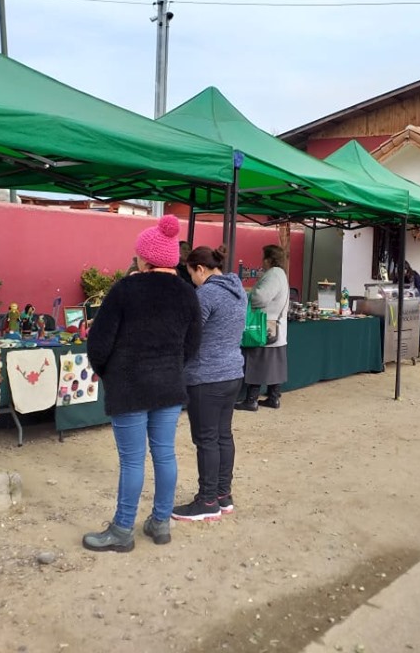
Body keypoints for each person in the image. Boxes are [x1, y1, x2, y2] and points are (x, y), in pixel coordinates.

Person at [83, 214, 202, 552]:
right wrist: (171, 367)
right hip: (168, 386)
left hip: (129, 386)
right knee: (165, 454)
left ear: (145, 258)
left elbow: (98, 343)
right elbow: (193, 345)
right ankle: (160, 522)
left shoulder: (125, 290)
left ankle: (123, 529)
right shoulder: (187, 293)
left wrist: (108, 372)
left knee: (132, 461)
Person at [172, 245, 247, 522]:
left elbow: (188, 335)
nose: (192, 280)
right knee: (223, 435)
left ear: (200, 269)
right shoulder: (238, 290)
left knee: (206, 440)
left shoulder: (205, 294)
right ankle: (223, 495)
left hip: (206, 376)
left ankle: (207, 501)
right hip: (232, 373)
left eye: (191, 274)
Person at [235, 245, 290, 411]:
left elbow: (260, 297)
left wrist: (248, 294)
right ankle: (274, 397)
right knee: (275, 364)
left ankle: (251, 400)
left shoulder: (273, 274)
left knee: (257, 361)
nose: (262, 261)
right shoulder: (281, 274)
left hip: (263, 326)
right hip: (276, 327)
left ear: (269, 259)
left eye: (263, 258)